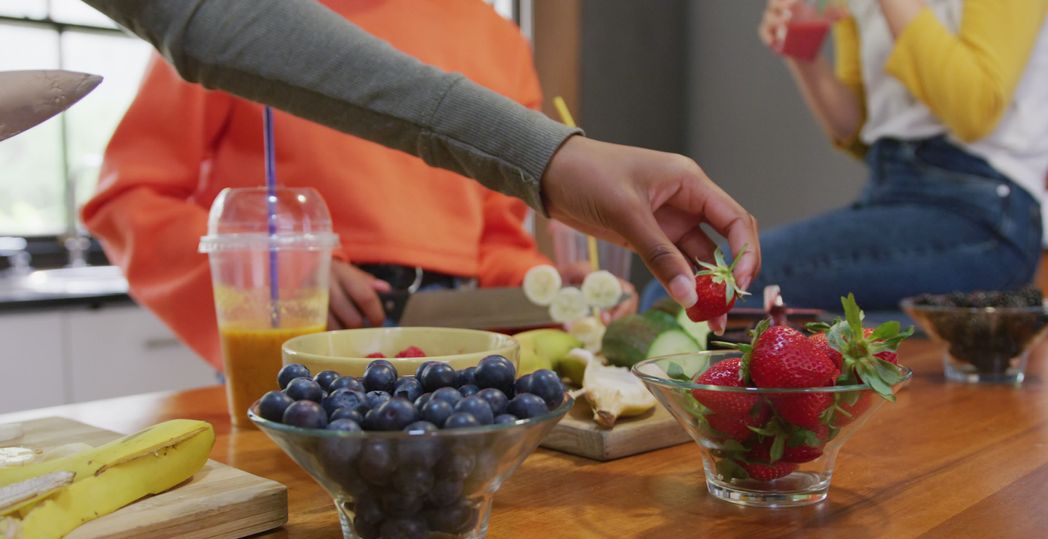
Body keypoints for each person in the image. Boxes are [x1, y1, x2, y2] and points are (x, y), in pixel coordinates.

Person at [78, 0, 760, 333]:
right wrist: (267, 271)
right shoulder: (248, 25)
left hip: (457, 329)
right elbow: (130, 197)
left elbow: (492, 238)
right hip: (302, 332)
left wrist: (540, 286)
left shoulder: (495, 38)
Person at [645, 0, 1048, 313]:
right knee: (818, 329)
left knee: (691, 293)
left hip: (986, 211)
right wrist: (802, 51)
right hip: (893, 190)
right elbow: (856, 130)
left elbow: (974, 109)